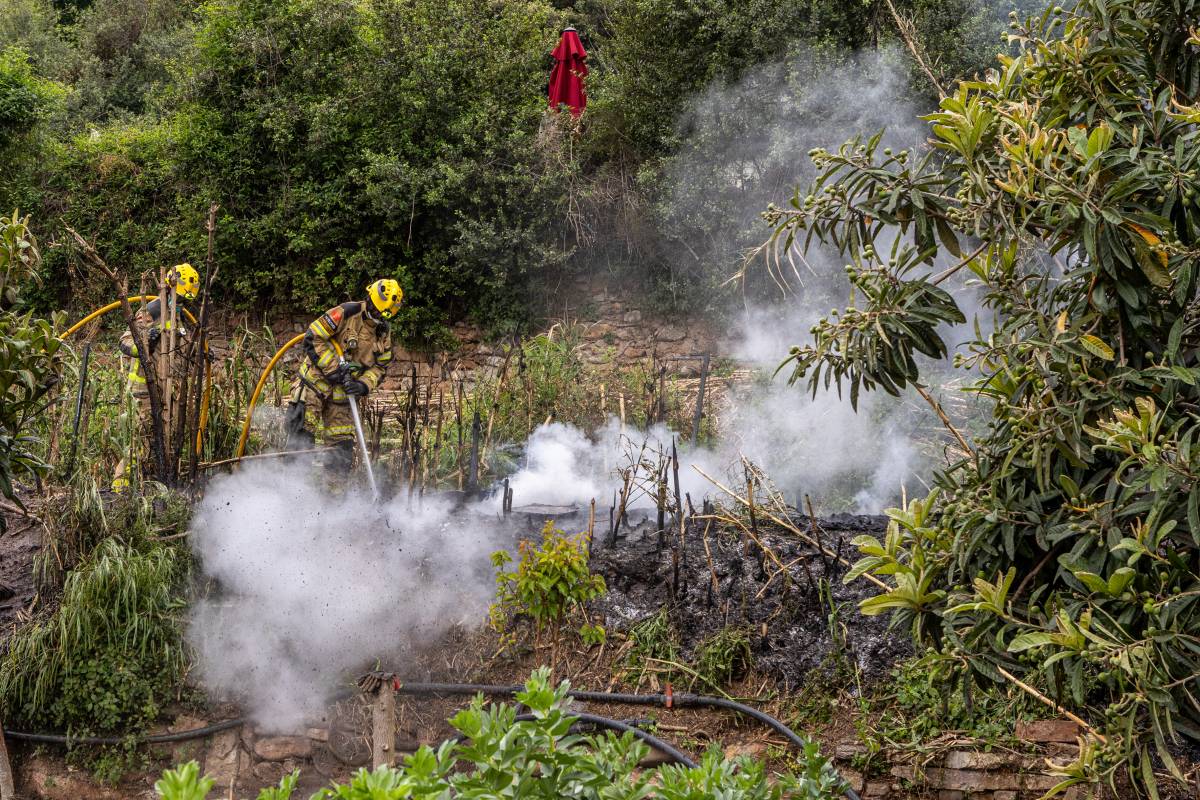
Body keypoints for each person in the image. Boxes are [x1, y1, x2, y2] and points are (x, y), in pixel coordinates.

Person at [284, 279, 402, 474]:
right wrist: (334, 370)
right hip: (315, 385)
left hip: (344, 397)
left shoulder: (383, 332)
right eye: (377, 310)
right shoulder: (347, 312)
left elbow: (381, 366)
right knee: (300, 443)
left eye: (384, 313)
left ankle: (337, 501)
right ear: (370, 299)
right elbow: (313, 336)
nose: (379, 316)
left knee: (341, 453)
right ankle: (293, 494)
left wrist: (363, 385)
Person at [112, 263, 201, 492]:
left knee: (160, 441)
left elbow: (176, 352)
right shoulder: (151, 310)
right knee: (140, 441)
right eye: (179, 298)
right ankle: (119, 489)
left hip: (168, 391)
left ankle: (150, 485)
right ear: (169, 289)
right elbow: (124, 342)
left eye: (184, 300)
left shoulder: (179, 316)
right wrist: (145, 341)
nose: (181, 304)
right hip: (143, 391)